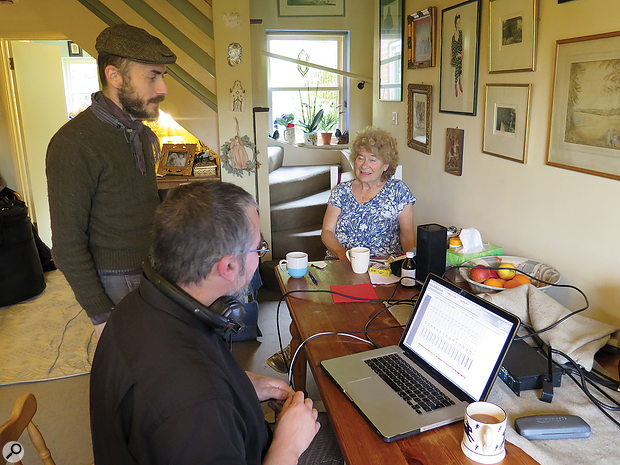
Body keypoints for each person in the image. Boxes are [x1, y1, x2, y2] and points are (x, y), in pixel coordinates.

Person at [90, 181, 320, 464]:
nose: (260, 256)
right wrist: (287, 446)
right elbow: (191, 395)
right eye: (258, 249)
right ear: (228, 266)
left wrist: (239, 384)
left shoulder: (136, 306)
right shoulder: (196, 406)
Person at [46, 24, 176, 339]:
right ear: (114, 76)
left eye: (162, 76)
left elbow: (138, 205)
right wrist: (101, 314)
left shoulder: (138, 133)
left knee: (161, 359)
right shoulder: (74, 143)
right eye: (152, 76)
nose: (162, 89)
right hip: (118, 279)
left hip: (149, 267)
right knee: (138, 368)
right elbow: (65, 245)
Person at [321, 126, 416, 261]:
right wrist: (344, 255)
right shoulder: (341, 191)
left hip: (383, 267)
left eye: (372, 159)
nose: (364, 165)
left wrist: (409, 269)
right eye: (360, 158)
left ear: (386, 165)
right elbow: (327, 232)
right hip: (341, 262)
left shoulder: (399, 191)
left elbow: (407, 237)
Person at [451, 14, 463, 98]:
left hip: (459, 56)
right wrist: (451, 57)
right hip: (455, 56)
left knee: (459, 67)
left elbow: (463, 46)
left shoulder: (461, 33)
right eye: (457, 23)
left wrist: (461, 54)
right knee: (457, 67)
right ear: (455, 24)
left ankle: (458, 82)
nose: (459, 25)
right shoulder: (453, 36)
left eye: (460, 23)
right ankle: (457, 83)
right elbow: (451, 49)